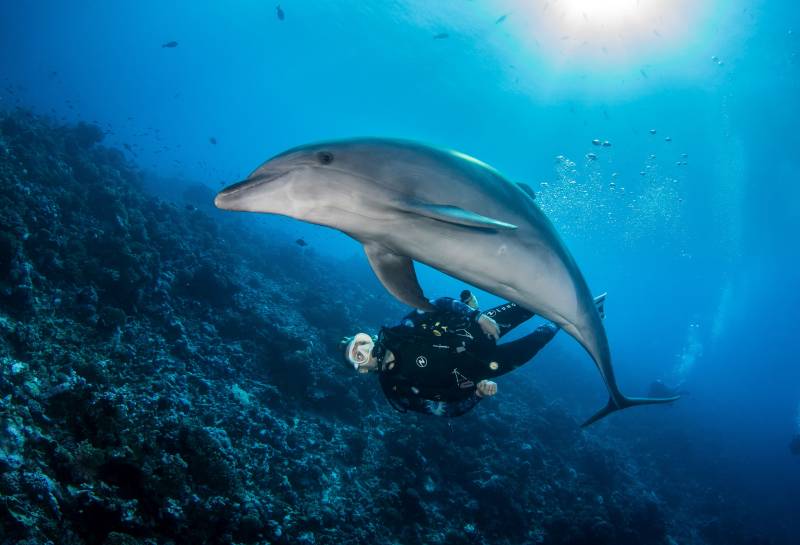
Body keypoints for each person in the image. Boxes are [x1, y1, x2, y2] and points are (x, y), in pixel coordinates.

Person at [341, 290, 606, 417]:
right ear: (363, 369)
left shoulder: (404, 328)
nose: (364, 349)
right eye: (358, 355)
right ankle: (579, 317)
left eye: (360, 342)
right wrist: (479, 394)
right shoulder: (397, 391)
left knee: (529, 303)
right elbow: (444, 410)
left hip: (477, 330)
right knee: (539, 339)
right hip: (485, 368)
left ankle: (570, 293)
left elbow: (438, 303)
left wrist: (475, 315)